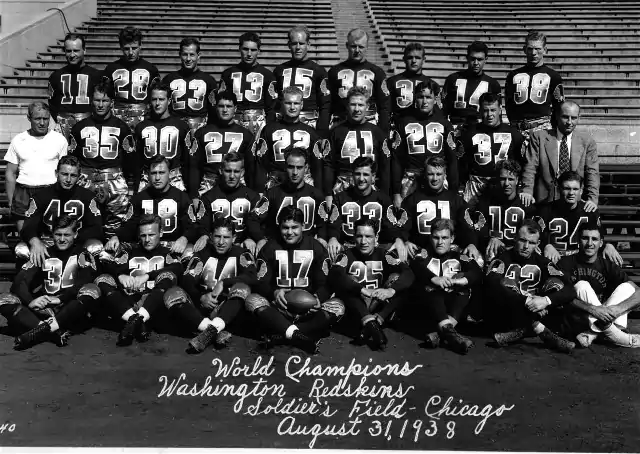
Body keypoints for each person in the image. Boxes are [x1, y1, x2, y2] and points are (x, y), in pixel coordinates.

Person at [245, 207, 344, 353]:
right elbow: (261, 282)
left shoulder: (315, 247)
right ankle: (300, 334)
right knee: (251, 300)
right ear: (279, 227)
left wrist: (318, 298)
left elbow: (325, 283)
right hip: (280, 308)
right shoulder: (270, 247)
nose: (289, 232)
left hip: (308, 310)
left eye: (294, 227)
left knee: (338, 306)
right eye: (285, 227)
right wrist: (274, 292)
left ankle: (285, 334)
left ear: (303, 226)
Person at [0, 215, 101, 350]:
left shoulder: (82, 254)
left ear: (75, 234)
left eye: (67, 235)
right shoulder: (43, 253)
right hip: (46, 307)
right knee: (4, 299)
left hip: (69, 306)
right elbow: (19, 283)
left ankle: (41, 329)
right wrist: (31, 301)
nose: (62, 239)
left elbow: (84, 281)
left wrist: (60, 299)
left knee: (92, 289)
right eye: (58, 234)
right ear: (52, 234)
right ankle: (51, 332)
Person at [165, 217, 257, 353]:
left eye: (226, 237)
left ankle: (212, 329)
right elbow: (187, 280)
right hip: (204, 308)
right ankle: (212, 331)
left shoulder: (242, 254)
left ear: (234, 238)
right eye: (217, 236)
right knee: (172, 293)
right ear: (211, 237)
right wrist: (201, 297)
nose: (221, 242)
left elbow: (252, 277)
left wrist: (224, 282)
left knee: (242, 288)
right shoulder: (201, 254)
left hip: (229, 309)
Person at [484, 219, 577, 353]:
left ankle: (519, 332)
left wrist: (545, 301)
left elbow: (570, 290)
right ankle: (541, 331)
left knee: (556, 284)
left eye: (532, 243)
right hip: (506, 316)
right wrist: (526, 301)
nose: (526, 246)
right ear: (515, 238)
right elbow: (491, 285)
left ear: (538, 244)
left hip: (535, 313)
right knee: (503, 283)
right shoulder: (502, 259)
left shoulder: (543, 262)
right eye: (522, 240)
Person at [96, 214, 183, 346]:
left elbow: (177, 268)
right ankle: (134, 319)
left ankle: (136, 320)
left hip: (156, 304)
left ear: (160, 233)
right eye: (143, 235)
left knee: (167, 276)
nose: (147, 240)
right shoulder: (130, 250)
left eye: (151, 235)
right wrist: (120, 275)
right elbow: (105, 263)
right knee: (102, 279)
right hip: (131, 302)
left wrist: (148, 275)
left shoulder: (168, 252)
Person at [330, 219, 414, 350]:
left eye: (368, 236)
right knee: (348, 280)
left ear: (376, 237)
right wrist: (361, 289)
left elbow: (408, 273)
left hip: (378, 304)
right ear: (354, 237)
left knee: (397, 279)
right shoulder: (346, 255)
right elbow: (335, 275)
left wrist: (391, 290)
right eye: (359, 236)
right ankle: (371, 324)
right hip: (355, 308)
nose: (363, 241)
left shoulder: (385, 255)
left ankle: (375, 323)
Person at [68, 81, 134, 238]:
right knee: (82, 220)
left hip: (114, 179)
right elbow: (72, 158)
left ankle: (112, 250)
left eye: (104, 100)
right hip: (85, 178)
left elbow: (130, 159)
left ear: (111, 102)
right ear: (91, 100)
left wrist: (129, 183)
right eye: (97, 100)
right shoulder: (79, 127)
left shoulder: (122, 127)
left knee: (116, 224)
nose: (100, 105)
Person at [558, 223, 640, 348]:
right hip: (577, 319)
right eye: (585, 238)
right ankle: (616, 335)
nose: (590, 243)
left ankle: (593, 333)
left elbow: (638, 292)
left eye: (594, 239)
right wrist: (593, 309)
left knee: (628, 287)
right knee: (581, 285)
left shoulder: (607, 264)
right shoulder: (565, 263)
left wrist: (618, 309)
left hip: (604, 316)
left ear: (601, 243)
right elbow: (558, 296)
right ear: (578, 240)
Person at [410, 218, 482, 354]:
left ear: (452, 238)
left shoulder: (460, 254)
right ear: (430, 237)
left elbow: (476, 272)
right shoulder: (423, 254)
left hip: (452, 306)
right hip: (429, 308)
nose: (440, 242)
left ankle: (443, 333)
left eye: (444, 238)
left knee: (465, 289)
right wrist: (433, 278)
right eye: (436, 237)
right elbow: (416, 267)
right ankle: (452, 336)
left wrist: (459, 281)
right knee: (431, 288)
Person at [17, 156, 104, 266]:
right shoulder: (40, 196)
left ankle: (87, 276)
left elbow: (96, 228)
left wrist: (72, 238)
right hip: (47, 243)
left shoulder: (88, 197)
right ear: (56, 173)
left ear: (79, 176)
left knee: (96, 246)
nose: (68, 180)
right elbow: (28, 226)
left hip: (77, 243)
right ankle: (30, 276)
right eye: (64, 174)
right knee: (22, 249)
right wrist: (35, 241)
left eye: (73, 175)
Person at [105, 157, 197, 257]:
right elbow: (129, 225)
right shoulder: (138, 199)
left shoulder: (182, 197)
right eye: (153, 173)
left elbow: (192, 225)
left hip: (172, 248)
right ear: (148, 175)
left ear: (170, 174)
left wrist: (184, 238)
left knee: (190, 252)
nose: (157, 178)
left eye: (161, 173)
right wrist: (116, 237)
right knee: (107, 254)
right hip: (145, 247)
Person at [395, 156, 480, 263]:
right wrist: (405, 241)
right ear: (425, 175)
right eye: (430, 174)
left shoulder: (455, 200)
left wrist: (471, 243)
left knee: (478, 260)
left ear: (445, 176)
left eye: (439, 174)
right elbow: (402, 226)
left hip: (449, 253)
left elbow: (466, 226)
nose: (435, 178)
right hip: (420, 252)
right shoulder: (412, 200)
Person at [389, 80, 458, 207]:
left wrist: (453, 191)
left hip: (437, 178)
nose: (425, 101)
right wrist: (396, 192)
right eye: (421, 97)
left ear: (435, 99)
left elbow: (452, 160)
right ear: (415, 98)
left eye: (428, 97)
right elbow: (396, 160)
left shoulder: (445, 124)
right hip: (411, 179)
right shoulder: (403, 123)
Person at [521, 101, 599, 209]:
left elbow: (592, 173)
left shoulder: (587, 141)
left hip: (575, 202)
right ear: (557, 116)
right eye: (565, 117)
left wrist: (592, 199)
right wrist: (527, 191)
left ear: (579, 118)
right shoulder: (539, 137)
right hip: (545, 200)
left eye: (574, 118)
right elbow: (530, 167)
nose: (569, 122)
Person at [5, 102, 68, 233]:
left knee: (51, 236)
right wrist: (11, 202)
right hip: (24, 192)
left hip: (50, 190)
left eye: (45, 118)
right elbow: (10, 173)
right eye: (37, 119)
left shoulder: (59, 140)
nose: (42, 123)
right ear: (29, 118)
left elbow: (65, 171)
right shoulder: (18, 140)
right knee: (25, 236)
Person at [537, 171, 621, 265]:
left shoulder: (589, 211)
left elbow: (599, 237)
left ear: (581, 191)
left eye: (575, 189)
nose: (571, 193)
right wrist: (546, 245)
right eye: (567, 188)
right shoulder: (545, 210)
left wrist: (608, 245)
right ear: (559, 189)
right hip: (554, 260)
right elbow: (534, 237)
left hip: (580, 262)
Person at [457, 92, 525, 208]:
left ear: (500, 109)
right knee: (468, 214)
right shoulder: (469, 134)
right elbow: (462, 164)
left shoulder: (514, 134)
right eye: (485, 110)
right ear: (480, 111)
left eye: (493, 110)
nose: (489, 115)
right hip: (476, 184)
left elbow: (521, 163)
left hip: (503, 184)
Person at [248, 149, 327, 247]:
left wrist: (322, 237)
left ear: (306, 168)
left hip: (307, 248)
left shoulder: (316, 195)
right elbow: (252, 219)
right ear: (285, 167)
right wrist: (260, 238)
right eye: (291, 167)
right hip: (277, 247)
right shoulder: (272, 194)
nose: (295, 172)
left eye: (299, 167)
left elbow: (324, 223)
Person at [253, 86, 326, 192]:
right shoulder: (269, 130)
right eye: (288, 103)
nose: (292, 107)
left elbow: (317, 166)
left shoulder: (311, 132)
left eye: (296, 103)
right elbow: (261, 163)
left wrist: (318, 192)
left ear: (302, 105)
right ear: (282, 103)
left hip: (303, 183)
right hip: (276, 183)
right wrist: (259, 190)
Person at [326, 157, 399, 261]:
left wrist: (398, 240)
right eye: (357, 174)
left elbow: (391, 228)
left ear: (373, 177)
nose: (361, 179)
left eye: (365, 174)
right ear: (352, 175)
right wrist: (333, 238)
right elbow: (334, 225)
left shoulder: (383, 199)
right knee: (330, 249)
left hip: (374, 248)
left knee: (397, 250)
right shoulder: (340, 198)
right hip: (348, 248)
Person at [325, 87, 390, 201]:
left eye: (360, 105)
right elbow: (328, 165)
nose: (356, 109)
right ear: (347, 106)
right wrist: (328, 194)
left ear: (367, 106)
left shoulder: (378, 133)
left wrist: (385, 194)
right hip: (342, 186)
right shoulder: (336, 132)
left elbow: (385, 166)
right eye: (353, 104)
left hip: (369, 185)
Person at [191, 152, 262, 256]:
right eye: (228, 171)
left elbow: (257, 225)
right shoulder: (208, 197)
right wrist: (204, 236)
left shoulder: (253, 197)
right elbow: (203, 226)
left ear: (242, 172)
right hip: (217, 247)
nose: (232, 176)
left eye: (236, 171)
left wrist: (249, 238)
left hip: (242, 245)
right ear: (221, 170)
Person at [467, 159, 536, 262]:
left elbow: (533, 234)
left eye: (511, 179)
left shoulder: (525, 204)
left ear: (517, 180)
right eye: (503, 179)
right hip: (491, 250)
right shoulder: (486, 201)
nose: (507, 183)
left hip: (517, 252)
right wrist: (490, 238)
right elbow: (477, 228)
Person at [190, 91, 255, 196]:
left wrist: (252, 192)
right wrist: (193, 194)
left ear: (235, 108)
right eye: (221, 106)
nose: (225, 110)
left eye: (229, 106)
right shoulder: (201, 133)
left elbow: (251, 167)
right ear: (216, 108)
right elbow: (194, 165)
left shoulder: (246, 135)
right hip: (208, 184)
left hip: (237, 183)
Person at [505, 30, 564, 141]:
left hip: (542, 129)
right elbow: (508, 105)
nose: (533, 53)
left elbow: (559, 107)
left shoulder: (553, 76)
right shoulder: (513, 75)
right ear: (524, 50)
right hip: (517, 129)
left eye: (538, 49)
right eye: (530, 49)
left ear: (545, 50)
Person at [327, 28, 390, 133]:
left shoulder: (377, 72)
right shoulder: (334, 72)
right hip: (340, 124)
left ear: (367, 47)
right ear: (347, 45)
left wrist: (383, 131)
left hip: (369, 123)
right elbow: (327, 104)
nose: (357, 50)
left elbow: (384, 106)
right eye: (353, 46)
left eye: (361, 47)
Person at [132, 82, 191, 192]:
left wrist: (191, 191)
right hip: (148, 179)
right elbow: (136, 162)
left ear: (169, 101)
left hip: (174, 179)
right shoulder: (141, 127)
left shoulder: (182, 126)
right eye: (154, 99)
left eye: (161, 99)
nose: (157, 103)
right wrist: (135, 188)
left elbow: (188, 161)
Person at [273, 25, 331, 135]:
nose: (298, 47)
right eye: (294, 43)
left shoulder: (319, 71)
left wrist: (322, 129)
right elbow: (273, 103)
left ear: (308, 44)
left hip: (310, 123)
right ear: (289, 45)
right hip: (284, 123)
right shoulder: (279, 70)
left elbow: (325, 104)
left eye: (302, 43)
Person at [218, 32, 277, 137]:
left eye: (253, 50)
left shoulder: (267, 75)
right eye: (245, 49)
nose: (249, 54)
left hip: (258, 123)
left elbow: (271, 108)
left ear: (259, 51)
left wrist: (269, 130)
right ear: (239, 49)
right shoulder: (228, 74)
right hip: (234, 121)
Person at [103, 26, 160, 133]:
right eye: (126, 48)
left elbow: (156, 97)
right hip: (117, 117)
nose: (130, 53)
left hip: (143, 117)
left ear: (140, 46)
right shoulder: (111, 69)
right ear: (121, 47)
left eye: (134, 48)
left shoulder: (150, 69)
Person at [48, 33, 102, 141]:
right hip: (63, 126)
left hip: (88, 126)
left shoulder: (96, 76)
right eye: (68, 51)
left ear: (84, 50)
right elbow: (52, 104)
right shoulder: (55, 76)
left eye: (76, 50)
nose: (72, 55)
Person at [162, 38, 218, 137]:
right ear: (180, 55)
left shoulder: (209, 80)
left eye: (192, 54)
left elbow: (213, 110)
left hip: (200, 129)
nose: (188, 59)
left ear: (198, 55)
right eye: (185, 54)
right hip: (174, 129)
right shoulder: (169, 79)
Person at [442, 41, 501, 131]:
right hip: (455, 127)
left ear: (486, 59)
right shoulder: (452, 79)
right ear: (467, 58)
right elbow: (443, 109)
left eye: (480, 59)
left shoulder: (493, 84)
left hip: (480, 130)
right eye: (473, 59)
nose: (476, 63)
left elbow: (497, 114)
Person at [385, 42, 435, 125]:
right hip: (398, 125)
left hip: (423, 126)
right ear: (404, 59)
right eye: (410, 57)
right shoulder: (391, 82)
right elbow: (385, 110)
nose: (414, 61)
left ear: (424, 59)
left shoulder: (432, 84)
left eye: (417, 58)